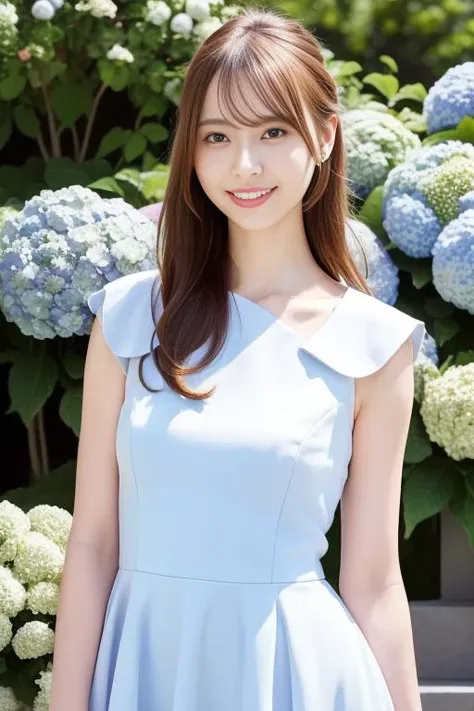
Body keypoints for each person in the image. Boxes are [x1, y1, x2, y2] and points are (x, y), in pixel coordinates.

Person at [49, 7, 426, 711]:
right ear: (190, 149)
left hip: (293, 672)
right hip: (142, 663)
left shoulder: (373, 345)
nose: (243, 165)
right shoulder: (131, 319)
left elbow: (373, 580)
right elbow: (94, 544)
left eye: (273, 132)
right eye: (216, 135)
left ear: (324, 133)